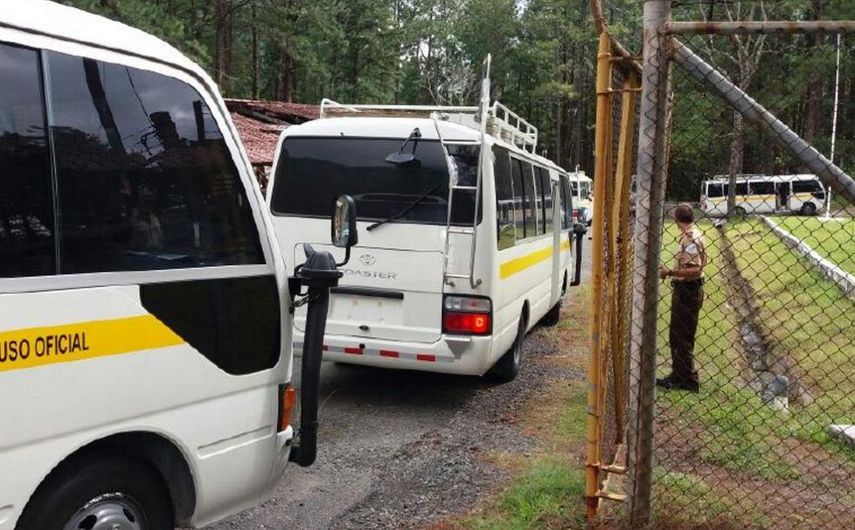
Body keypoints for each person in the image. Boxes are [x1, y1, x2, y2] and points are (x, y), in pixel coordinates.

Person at [657, 203, 706, 392]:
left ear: (677, 219)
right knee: (677, 335)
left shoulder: (691, 238)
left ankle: (688, 380)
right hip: (686, 290)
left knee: (682, 336)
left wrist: (669, 272)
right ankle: (679, 374)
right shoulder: (691, 234)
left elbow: (695, 269)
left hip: (688, 291)